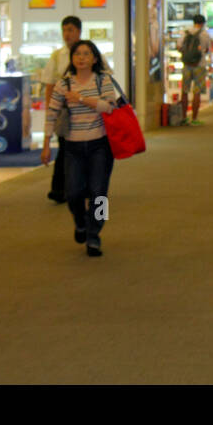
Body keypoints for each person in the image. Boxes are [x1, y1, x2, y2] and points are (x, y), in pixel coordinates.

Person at [41, 40, 120, 257]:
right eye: (77, 53)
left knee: (99, 194)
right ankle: (80, 222)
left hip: (100, 146)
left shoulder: (102, 81)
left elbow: (110, 107)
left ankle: (95, 234)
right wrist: (46, 144)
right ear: (72, 58)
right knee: (73, 193)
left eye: (87, 53)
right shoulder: (63, 85)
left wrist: (82, 99)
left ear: (95, 59)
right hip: (73, 147)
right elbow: (52, 114)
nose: (81, 57)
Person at [40, 15, 83, 203]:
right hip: (64, 111)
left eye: (71, 30)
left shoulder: (89, 52)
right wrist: (51, 110)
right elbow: (49, 85)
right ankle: (59, 189)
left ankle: (82, 187)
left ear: (79, 31)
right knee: (65, 148)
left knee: (85, 149)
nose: (67, 34)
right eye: (64, 30)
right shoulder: (57, 56)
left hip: (86, 109)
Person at [177, 14, 213, 126]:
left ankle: (183, 117)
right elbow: (207, 50)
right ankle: (194, 118)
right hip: (199, 65)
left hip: (187, 65)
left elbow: (178, 47)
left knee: (184, 91)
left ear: (193, 22)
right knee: (197, 92)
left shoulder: (185, 32)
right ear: (203, 23)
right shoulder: (205, 34)